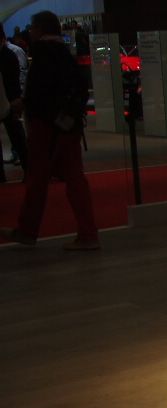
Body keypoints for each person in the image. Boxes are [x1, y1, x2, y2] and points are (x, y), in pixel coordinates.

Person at [0, 10, 98, 249]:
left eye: (33, 27)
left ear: (41, 29)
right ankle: (88, 233)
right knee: (74, 177)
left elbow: (40, 92)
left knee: (38, 179)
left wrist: (22, 104)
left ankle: (28, 229)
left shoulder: (43, 54)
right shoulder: (64, 54)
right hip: (68, 124)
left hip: (46, 126)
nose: (30, 31)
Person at [0, 24, 29, 182]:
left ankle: (28, 168)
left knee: (17, 136)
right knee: (17, 135)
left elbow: (14, 81)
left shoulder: (10, 54)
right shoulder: (10, 54)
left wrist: (16, 100)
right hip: (10, 99)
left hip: (10, 100)